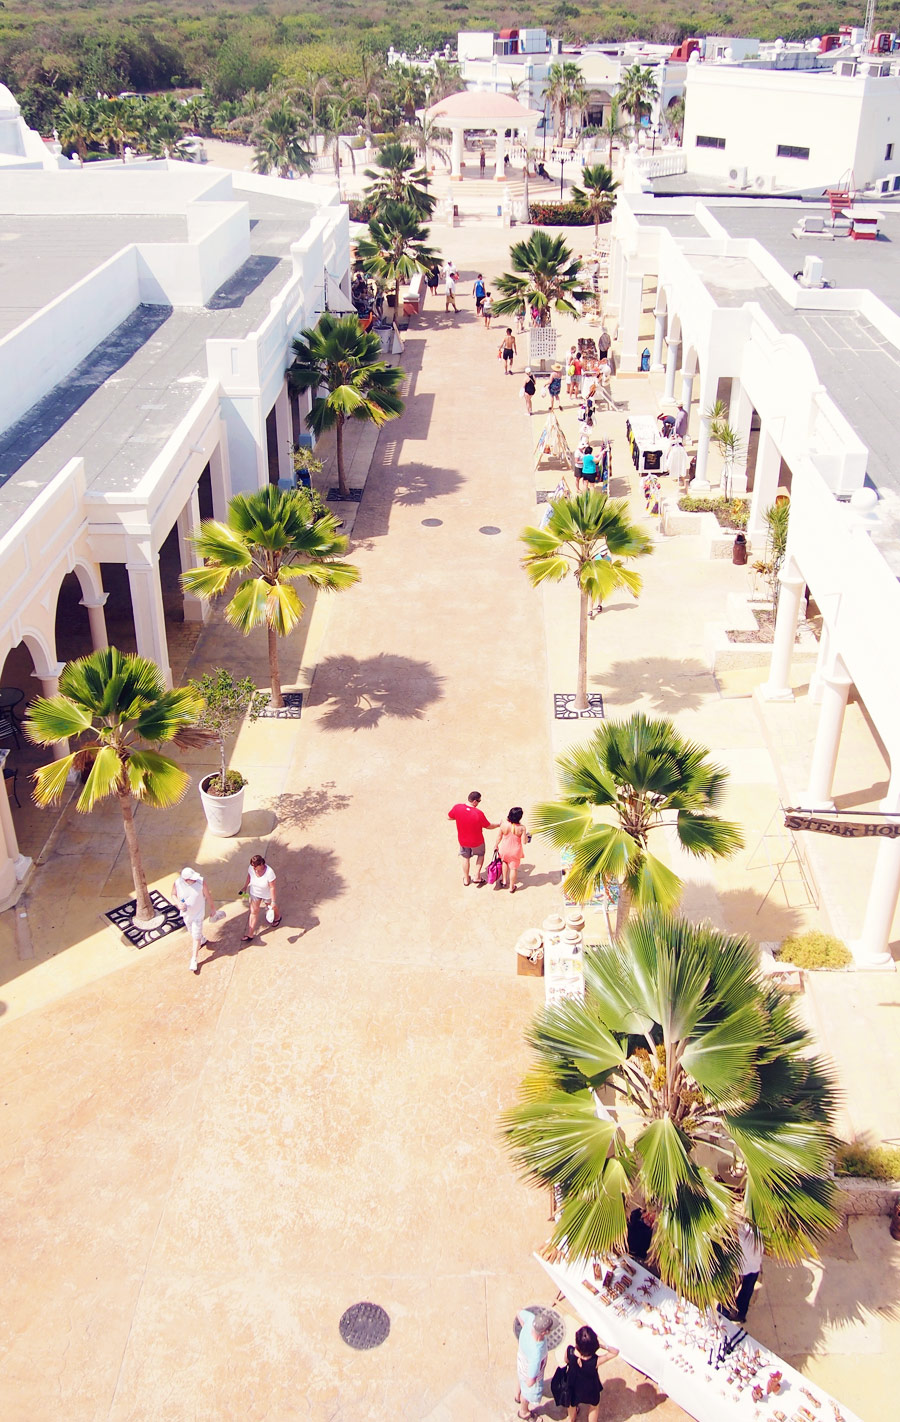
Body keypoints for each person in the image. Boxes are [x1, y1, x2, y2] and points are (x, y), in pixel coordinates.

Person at [564, 1325, 619, 1422]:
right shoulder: (595, 1361)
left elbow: (566, 1360)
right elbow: (615, 1352)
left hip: (573, 1385)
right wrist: (602, 1345)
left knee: (571, 1403)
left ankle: (571, 1418)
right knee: (594, 1406)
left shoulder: (570, 1350)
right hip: (590, 1388)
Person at [447, 791, 498, 886]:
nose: (479, 803)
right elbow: (488, 826)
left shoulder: (457, 807)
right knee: (481, 855)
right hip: (477, 840)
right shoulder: (478, 813)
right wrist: (498, 825)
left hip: (463, 840)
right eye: (479, 801)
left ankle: (466, 879)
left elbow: (449, 817)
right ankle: (477, 876)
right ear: (474, 801)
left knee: (465, 857)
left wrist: (459, 818)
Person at [172, 866, 215, 973]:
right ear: (186, 880)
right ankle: (202, 939)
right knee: (193, 932)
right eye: (192, 878)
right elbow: (173, 894)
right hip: (187, 914)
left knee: (195, 937)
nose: (195, 879)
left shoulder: (201, 882)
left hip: (198, 915)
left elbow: (208, 896)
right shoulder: (177, 883)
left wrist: (213, 908)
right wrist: (178, 903)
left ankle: (194, 959)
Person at [515, 1307, 554, 1419]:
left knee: (520, 1377)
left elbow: (519, 1312)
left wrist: (524, 1325)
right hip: (530, 1372)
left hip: (521, 1360)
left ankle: (517, 1395)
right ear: (543, 1333)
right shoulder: (536, 1353)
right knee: (527, 1393)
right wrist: (532, 1386)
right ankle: (524, 1412)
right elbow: (530, 1382)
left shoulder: (531, 1320)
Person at [240, 854, 281, 941]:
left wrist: (273, 901)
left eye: (255, 866)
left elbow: (272, 887)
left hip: (267, 895)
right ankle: (250, 934)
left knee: (271, 907)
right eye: (252, 866)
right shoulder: (251, 868)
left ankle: (277, 917)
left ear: (261, 864)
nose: (254, 868)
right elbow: (249, 876)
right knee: (253, 912)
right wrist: (245, 886)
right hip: (255, 893)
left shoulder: (269, 872)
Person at [730, 1222, 764, 1323]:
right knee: (746, 1293)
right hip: (753, 1268)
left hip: (739, 1268)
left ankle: (724, 1312)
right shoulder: (762, 1231)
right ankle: (740, 1314)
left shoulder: (740, 1228)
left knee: (730, 1291)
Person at [497, 807, 528, 892]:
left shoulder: (503, 825)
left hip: (504, 849)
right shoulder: (522, 828)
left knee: (504, 862)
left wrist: (496, 845)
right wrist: (527, 836)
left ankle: (504, 881)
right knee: (513, 868)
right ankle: (511, 887)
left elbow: (499, 837)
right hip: (515, 851)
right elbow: (524, 842)